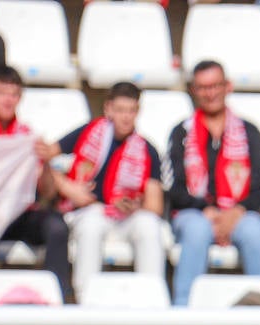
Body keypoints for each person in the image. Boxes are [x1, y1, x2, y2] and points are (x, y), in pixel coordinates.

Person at [38, 82, 166, 301]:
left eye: (131, 111)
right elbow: (43, 157)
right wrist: (68, 187)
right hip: (88, 212)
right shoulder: (88, 133)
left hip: (126, 217)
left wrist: (135, 205)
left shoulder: (147, 150)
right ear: (108, 109)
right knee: (91, 225)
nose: (126, 117)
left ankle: (152, 304)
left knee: (150, 226)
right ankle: (86, 303)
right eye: (120, 110)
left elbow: (155, 206)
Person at [163, 59, 260, 307]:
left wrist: (236, 211)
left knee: (254, 231)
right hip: (193, 213)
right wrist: (207, 210)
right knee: (197, 229)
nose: (210, 93)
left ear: (227, 86)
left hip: (239, 213)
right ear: (194, 90)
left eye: (215, 85)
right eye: (203, 87)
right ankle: (184, 314)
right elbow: (174, 186)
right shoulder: (181, 132)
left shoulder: (249, 132)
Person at [0, 66, 70, 302]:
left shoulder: (28, 136)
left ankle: (61, 305)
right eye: (2, 93)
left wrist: (47, 163)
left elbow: (47, 193)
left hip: (19, 214)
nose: (8, 100)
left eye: (14, 94)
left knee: (57, 227)